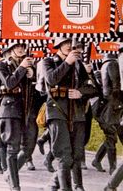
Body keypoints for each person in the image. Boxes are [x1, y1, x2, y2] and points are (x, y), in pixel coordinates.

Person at [43, 38, 98, 191]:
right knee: (64, 154)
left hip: (77, 113)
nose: (69, 46)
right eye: (65, 43)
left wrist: (80, 92)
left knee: (77, 154)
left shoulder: (79, 65)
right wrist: (67, 62)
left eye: (71, 43)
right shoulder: (49, 61)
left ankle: (62, 185)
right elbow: (51, 79)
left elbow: (93, 88)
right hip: (58, 111)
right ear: (58, 46)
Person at [0, 42, 34, 191]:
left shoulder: (29, 65)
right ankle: (15, 185)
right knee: (13, 148)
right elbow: (10, 83)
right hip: (8, 109)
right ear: (10, 50)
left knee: (28, 146)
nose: (20, 49)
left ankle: (9, 173)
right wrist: (23, 68)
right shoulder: (1, 65)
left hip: (25, 110)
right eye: (16, 47)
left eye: (22, 46)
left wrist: (32, 75)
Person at [92, 53, 122, 174]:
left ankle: (98, 160)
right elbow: (116, 88)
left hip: (105, 106)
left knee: (111, 135)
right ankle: (113, 169)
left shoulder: (104, 64)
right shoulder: (113, 64)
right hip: (112, 106)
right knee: (111, 136)